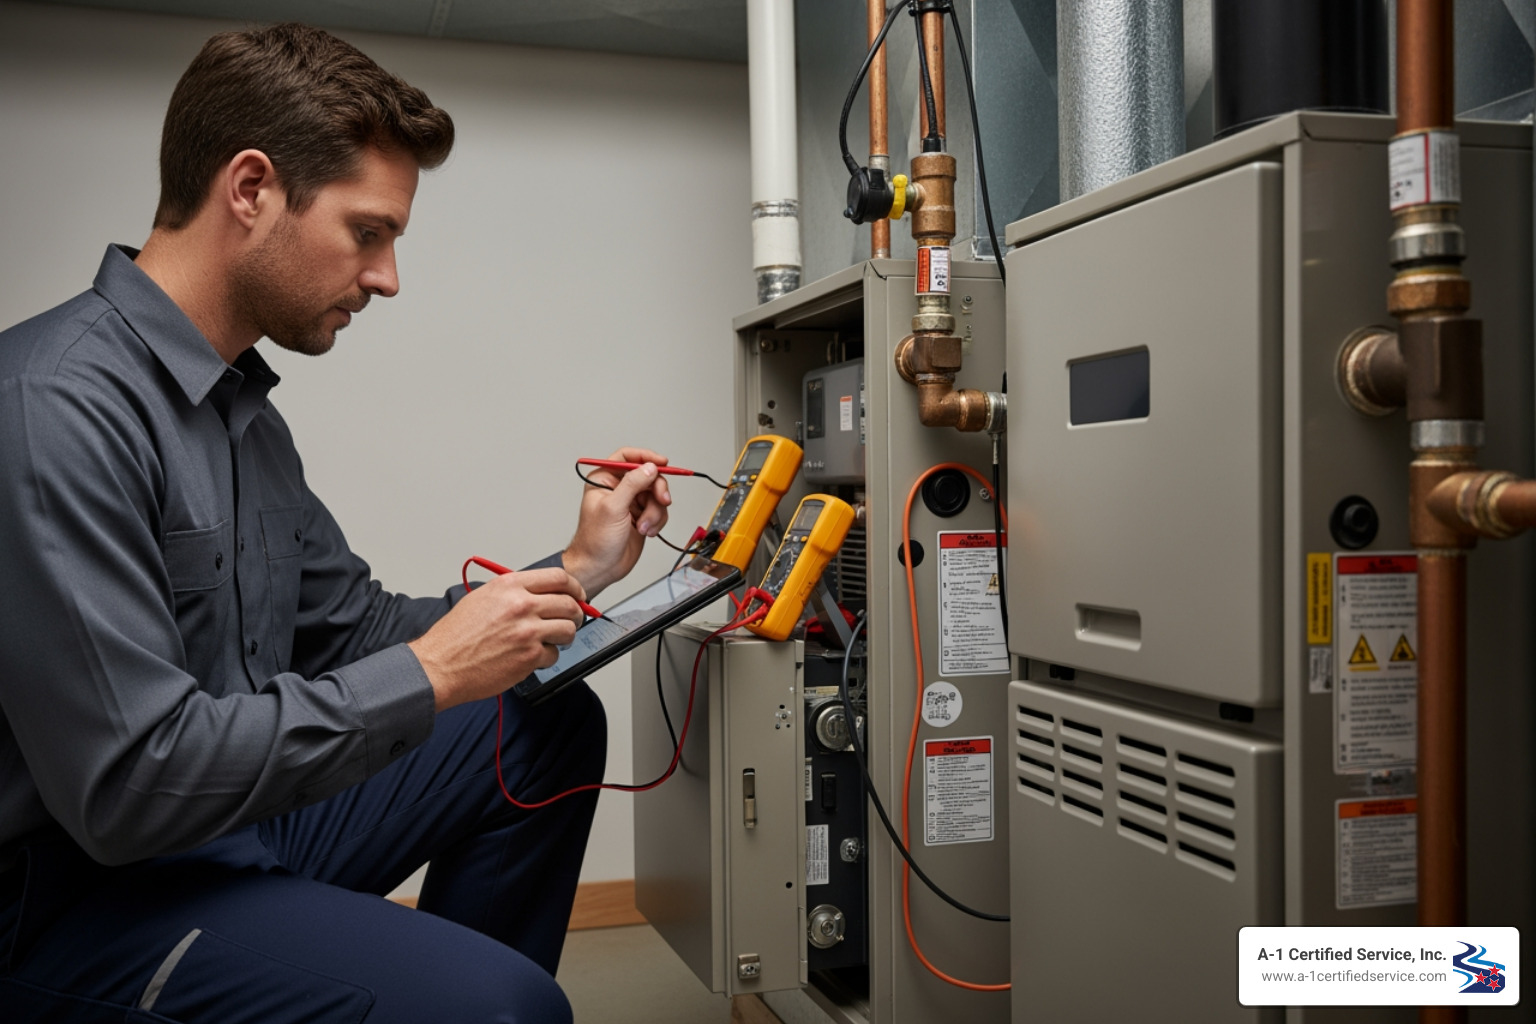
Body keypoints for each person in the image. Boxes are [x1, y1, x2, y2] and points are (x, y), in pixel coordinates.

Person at [0, 23, 671, 1023]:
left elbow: (356, 628)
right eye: (368, 231)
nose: (389, 275)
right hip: (84, 900)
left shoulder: (242, 415)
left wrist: (578, 565)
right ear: (251, 189)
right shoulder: (54, 407)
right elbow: (131, 786)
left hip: (225, 835)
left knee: (539, 717)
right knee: (506, 1009)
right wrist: (439, 672)